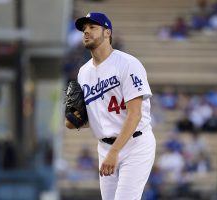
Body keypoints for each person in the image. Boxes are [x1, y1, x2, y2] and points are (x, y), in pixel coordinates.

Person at [65, 12, 156, 200]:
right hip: (105, 146)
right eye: (84, 29)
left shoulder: (128, 64)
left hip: (134, 144)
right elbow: (98, 114)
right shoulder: (84, 73)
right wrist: (77, 120)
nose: (86, 32)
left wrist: (115, 152)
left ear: (107, 33)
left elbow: (135, 114)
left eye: (92, 27)